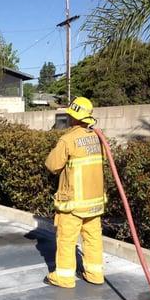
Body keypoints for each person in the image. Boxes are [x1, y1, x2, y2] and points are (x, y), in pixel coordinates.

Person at [44, 97, 105, 288]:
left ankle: (64, 277)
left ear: (73, 117)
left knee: (67, 239)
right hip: (94, 202)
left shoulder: (68, 140)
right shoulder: (98, 137)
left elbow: (52, 165)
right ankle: (95, 274)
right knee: (93, 238)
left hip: (73, 203)